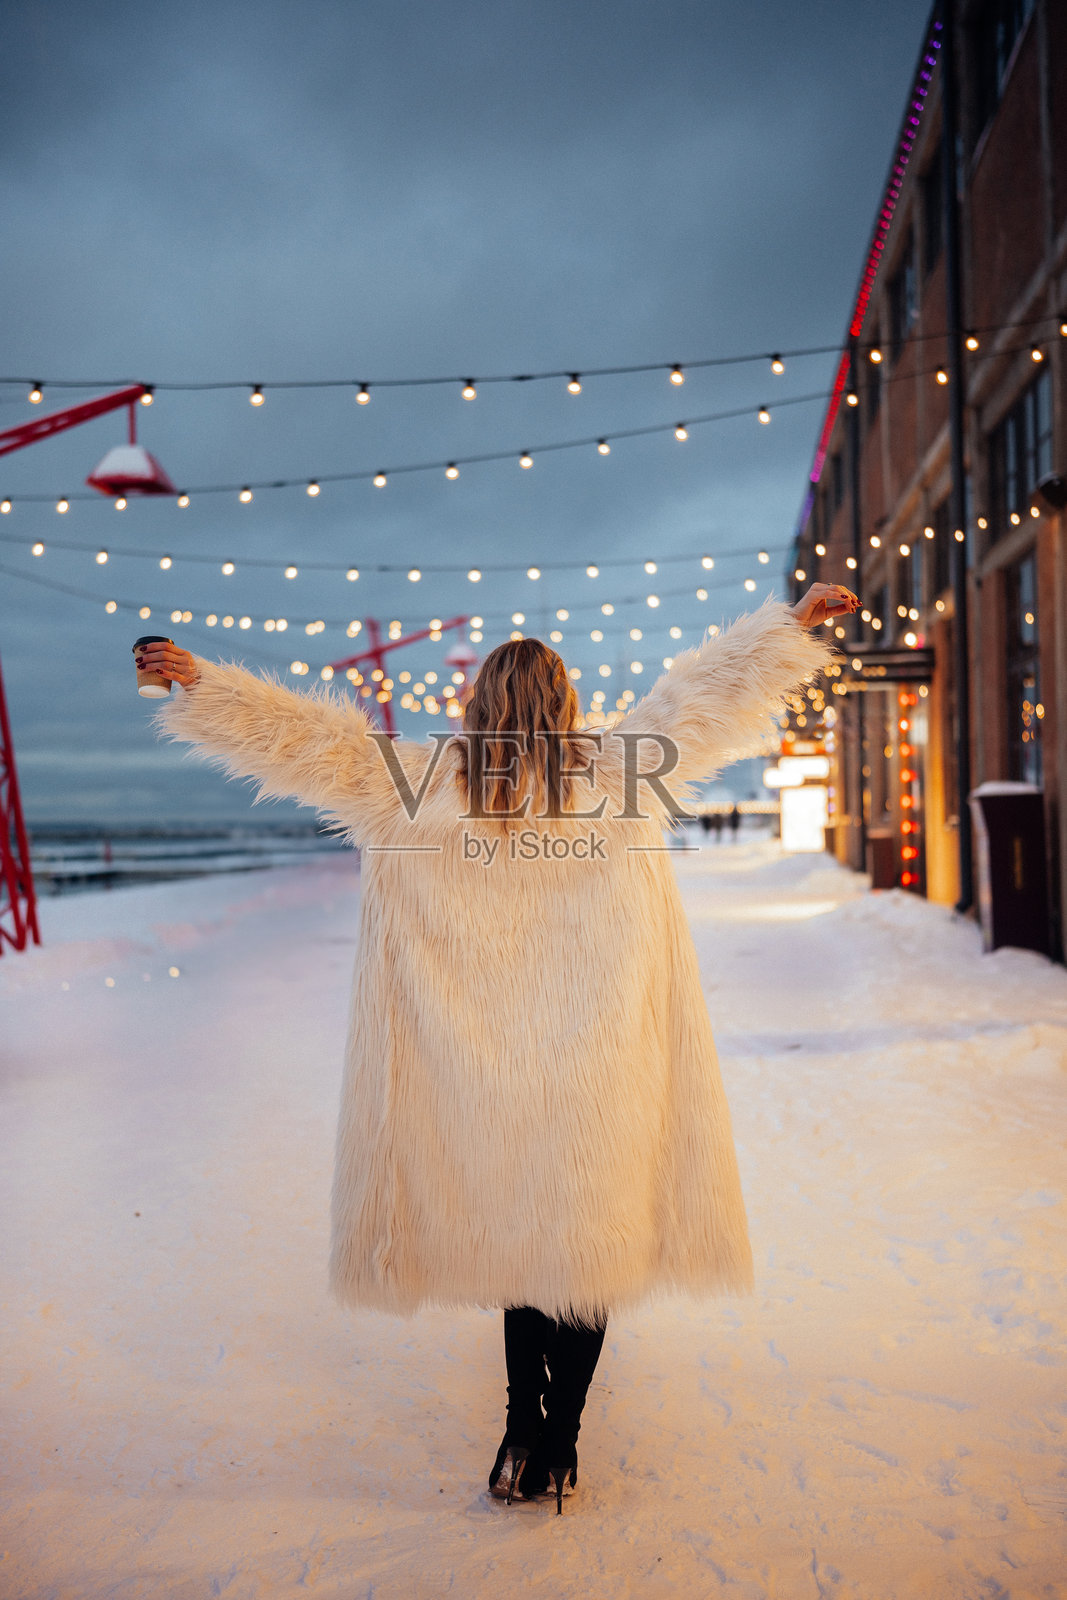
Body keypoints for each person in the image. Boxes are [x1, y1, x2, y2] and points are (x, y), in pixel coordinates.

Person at [139, 580, 858, 1513]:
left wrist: (201, 686)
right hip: (601, 1055)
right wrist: (786, 629)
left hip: (477, 1062)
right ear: (565, 703)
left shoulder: (419, 780)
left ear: (475, 703)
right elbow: (703, 697)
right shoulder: (618, 771)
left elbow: (307, 745)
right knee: (585, 1246)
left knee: (524, 1251)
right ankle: (560, 1441)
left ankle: (521, 1430)